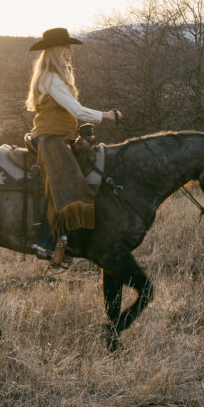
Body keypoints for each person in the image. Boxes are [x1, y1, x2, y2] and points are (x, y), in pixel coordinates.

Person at [26, 27, 122, 262]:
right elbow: (76, 110)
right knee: (66, 182)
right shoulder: (50, 78)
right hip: (49, 138)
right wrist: (106, 115)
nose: (70, 50)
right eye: (66, 46)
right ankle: (47, 243)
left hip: (57, 136)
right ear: (56, 50)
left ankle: (68, 238)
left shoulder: (56, 76)